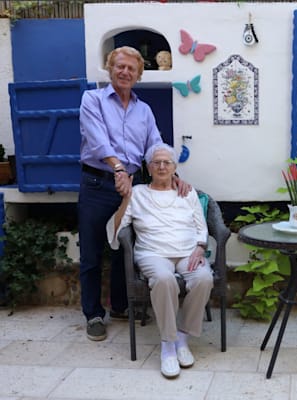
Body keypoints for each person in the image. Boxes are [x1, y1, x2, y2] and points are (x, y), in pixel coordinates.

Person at [79, 46, 186, 342]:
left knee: (124, 247)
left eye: (131, 69)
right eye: (120, 66)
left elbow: (155, 145)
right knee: (92, 252)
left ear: (138, 75)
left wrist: (172, 175)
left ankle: (120, 305)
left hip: (131, 185)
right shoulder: (92, 99)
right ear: (110, 69)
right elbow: (97, 140)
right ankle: (93, 314)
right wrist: (118, 169)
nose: (125, 72)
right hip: (98, 183)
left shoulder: (144, 110)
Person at [107, 143, 213, 379]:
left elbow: (201, 226)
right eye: (157, 162)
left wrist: (200, 246)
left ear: (174, 167)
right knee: (164, 279)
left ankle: (182, 338)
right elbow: (117, 230)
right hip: (152, 253)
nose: (162, 166)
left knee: (204, 278)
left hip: (187, 252)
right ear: (149, 167)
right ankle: (168, 345)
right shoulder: (138, 193)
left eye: (167, 162)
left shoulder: (187, 192)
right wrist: (125, 199)